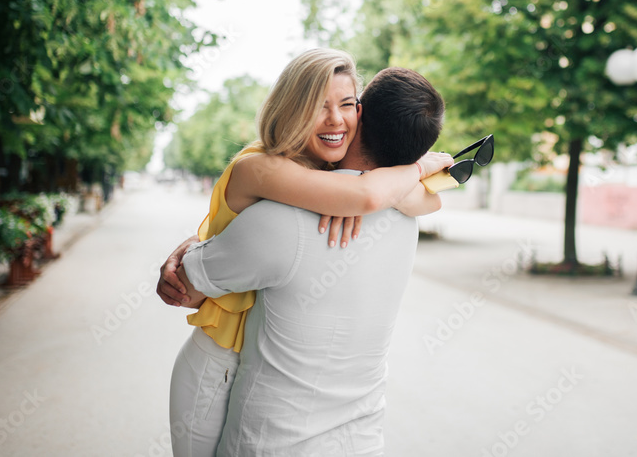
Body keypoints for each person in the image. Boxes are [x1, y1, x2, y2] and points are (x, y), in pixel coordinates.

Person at [161, 50, 452, 457]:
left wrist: (400, 175)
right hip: (224, 357)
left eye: (347, 105)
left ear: (361, 113)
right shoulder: (267, 172)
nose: (336, 119)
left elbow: (388, 197)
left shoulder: (324, 197)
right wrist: (417, 168)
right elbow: (368, 195)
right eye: (319, 106)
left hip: (262, 400)